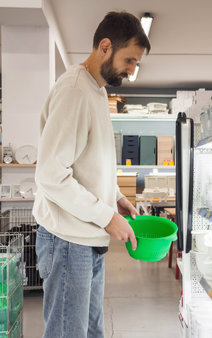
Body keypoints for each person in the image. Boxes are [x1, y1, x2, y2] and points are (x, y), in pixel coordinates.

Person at [33, 11, 150, 338]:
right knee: (69, 333)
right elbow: (51, 175)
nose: (132, 70)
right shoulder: (74, 90)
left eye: (136, 63)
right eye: (129, 60)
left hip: (88, 236)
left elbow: (91, 161)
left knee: (91, 330)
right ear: (105, 46)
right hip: (68, 240)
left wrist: (117, 198)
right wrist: (107, 217)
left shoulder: (97, 91)